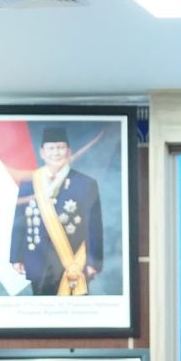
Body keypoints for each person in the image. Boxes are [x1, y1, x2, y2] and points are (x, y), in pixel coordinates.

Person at [9, 126, 106, 298]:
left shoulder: (85, 183)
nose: (56, 153)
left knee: (75, 313)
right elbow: (20, 222)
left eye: (60, 148)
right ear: (42, 152)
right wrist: (16, 256)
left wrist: (93, 262)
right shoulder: (29, 183)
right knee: (40, 311)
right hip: (37, 261)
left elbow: (94, 226)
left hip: (73, 262)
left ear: (69, 151)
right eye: (51, 148)